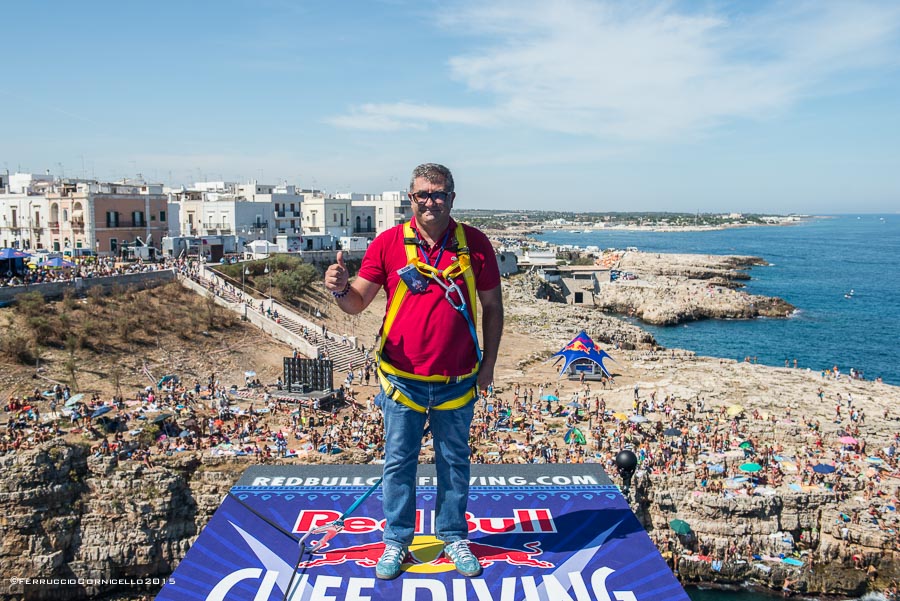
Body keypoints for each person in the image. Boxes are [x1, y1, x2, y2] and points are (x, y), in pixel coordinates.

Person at [324, 163, 503, 580]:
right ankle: (396, 540)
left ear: (452, 199)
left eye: (438, 194)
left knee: (454, 461)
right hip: (402, 379)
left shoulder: (474, 244)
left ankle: (454, 536)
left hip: (458, 379)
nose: (430, 201)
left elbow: (493, 308)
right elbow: (356, 303)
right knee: (398, 462)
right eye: (422, 194)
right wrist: (337, 287)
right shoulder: (388, 243)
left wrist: (488, 364)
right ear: (410, 198)